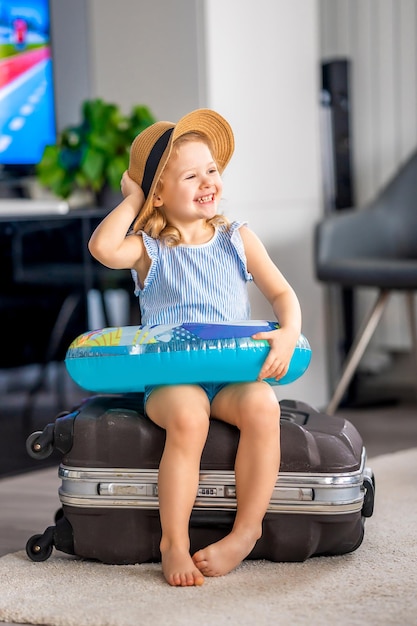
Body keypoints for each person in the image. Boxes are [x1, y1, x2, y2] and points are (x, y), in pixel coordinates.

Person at [88, 108, 302, 587]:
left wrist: (288, 332)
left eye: (212, 170)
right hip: (172, 377)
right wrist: (134, 200)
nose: (208, 180)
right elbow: (103, 248)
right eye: (191, 174)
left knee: (264, 406)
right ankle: (175, 542)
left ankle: (245, 532)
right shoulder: (148, 249)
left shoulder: (236, 238)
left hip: (228, 373)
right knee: (188, 417)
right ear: (160, 192)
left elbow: (284, 294)